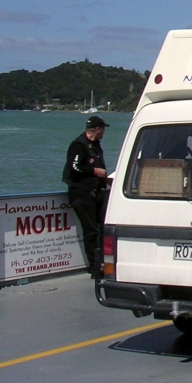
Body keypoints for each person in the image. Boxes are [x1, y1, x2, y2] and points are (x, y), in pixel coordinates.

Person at [63, 114, 109, 274]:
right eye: (102, 129)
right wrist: (94, 171)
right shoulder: (79, 145)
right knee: (91, 231)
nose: (104, 133)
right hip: (81, 193)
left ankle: (102, 262)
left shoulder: (95, 145)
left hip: (96, 192)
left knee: (101, 228)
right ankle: (94, 266)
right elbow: (74, 167)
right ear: (97, 129)